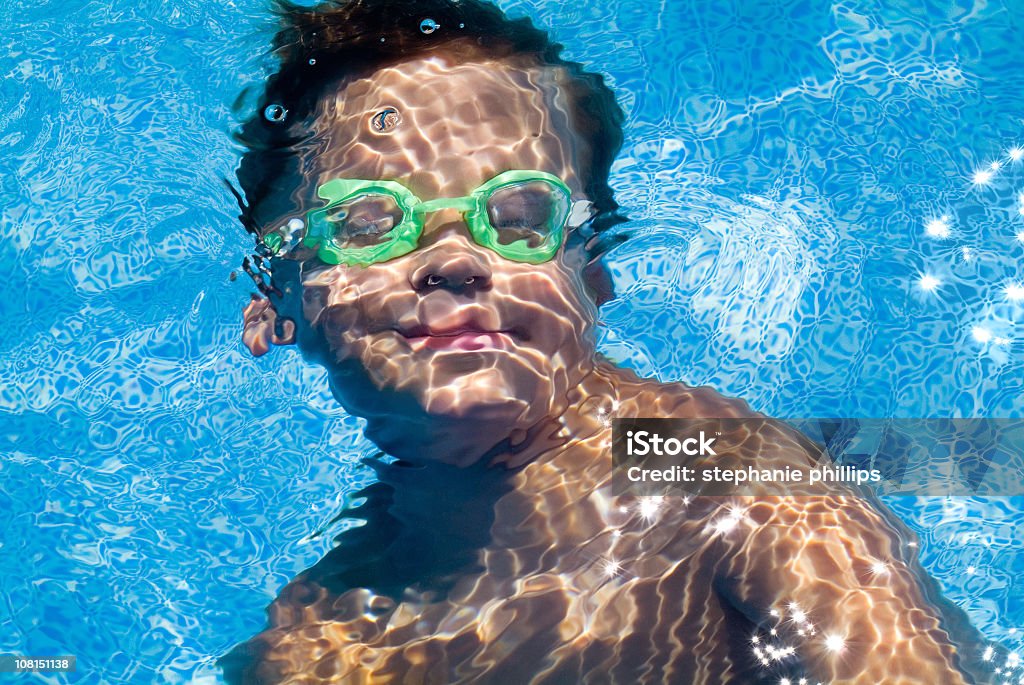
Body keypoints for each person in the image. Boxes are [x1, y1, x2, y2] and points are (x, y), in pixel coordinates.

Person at [223, 1, 988, 682]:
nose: (454, 260)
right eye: (368, 225)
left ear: (593, 277)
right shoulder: (316, 642)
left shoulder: (720, 470)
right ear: (271, 305)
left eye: (522, 217)